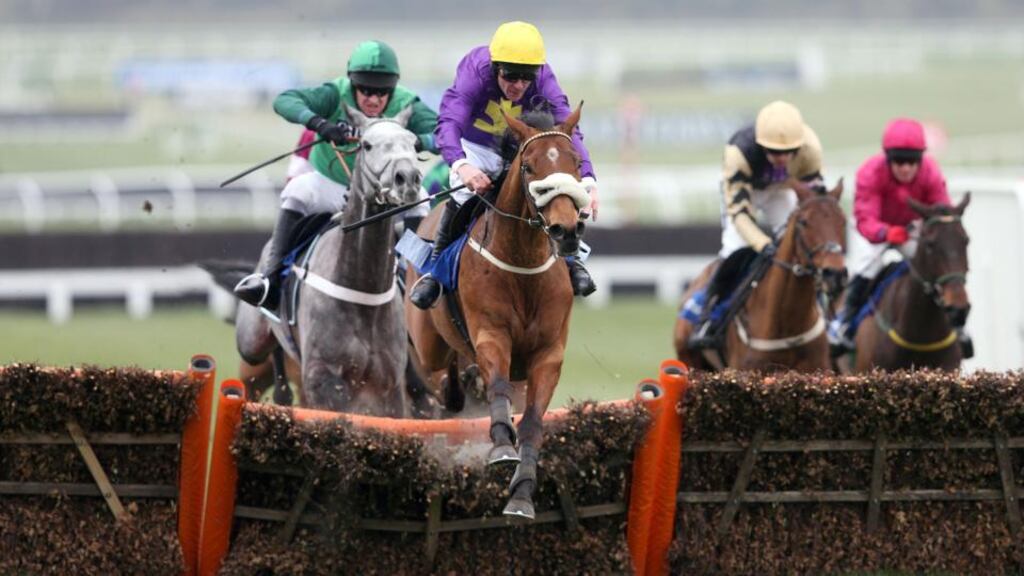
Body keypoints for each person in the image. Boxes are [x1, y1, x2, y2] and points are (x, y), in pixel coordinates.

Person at [234, 40, 439, 310]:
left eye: (382, 92)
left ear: (393, 89)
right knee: (297, 190)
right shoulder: (334, 94)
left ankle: (417, 273)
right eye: (365, 90)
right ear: (352, 83)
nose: (374, 99)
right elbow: (285, 101)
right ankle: (269, 277)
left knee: (420, 198)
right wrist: (318, 122)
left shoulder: (406, 102)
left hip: (385, 193)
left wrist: (418, 141)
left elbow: (442, 132)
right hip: (332, 185)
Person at [408, 21, 599, 310]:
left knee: (554, 190)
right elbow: (448, 124)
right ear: (496, 67)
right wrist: (462, 166)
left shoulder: (544, 76)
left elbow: (568, 130)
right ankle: (436, 272)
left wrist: (588, 180)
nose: (519, 85)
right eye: (511, 76)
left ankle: (572, 262)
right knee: (462, 195)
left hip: (521, 147)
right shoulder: (474, 71)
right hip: (476, 148)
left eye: (526, 77)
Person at [688, 100, 826, 349]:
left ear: (798, 147)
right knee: (734, 249)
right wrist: (763, 245)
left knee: (800, 245)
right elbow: (740, 214)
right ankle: (709, 314)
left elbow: (815, 202)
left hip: (782, 191)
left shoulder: (811, 150)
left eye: (787, 152)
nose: (781, 158)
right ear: (761, 146)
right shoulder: (739, 152)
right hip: (745, 193)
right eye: (773, 152)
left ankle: (822, 308)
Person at [828, 118, 968, 354]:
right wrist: (885, 232)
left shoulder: (930, 171)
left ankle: (958, 325)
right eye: (899, 161)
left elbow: (941, 210)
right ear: (888, 158)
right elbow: (865, 218)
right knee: (866, 267)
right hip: (873, 232)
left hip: (910, 229)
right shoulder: (870, 172)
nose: (906, 168)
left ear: (920, 160)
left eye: (912, 161)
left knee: (937, 264)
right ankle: (843, 322)